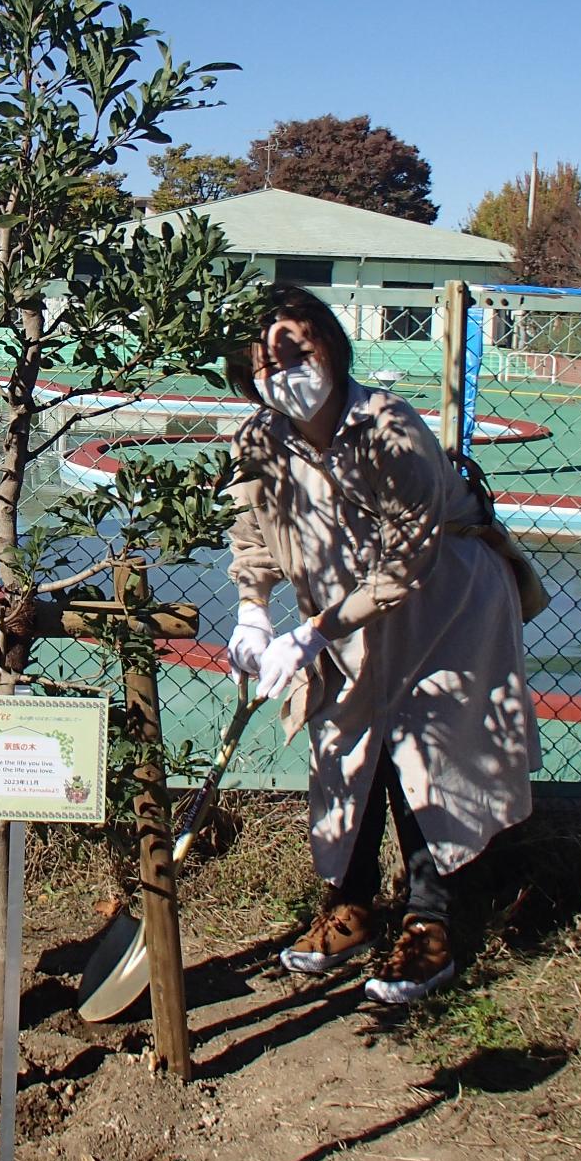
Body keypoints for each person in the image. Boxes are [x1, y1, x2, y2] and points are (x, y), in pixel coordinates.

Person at [222, 286, 538, 1004]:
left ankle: (432, 926)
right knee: (342, 744)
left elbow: (407, 562)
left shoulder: (388, 425)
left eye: (297, 351)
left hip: (445, 603)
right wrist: (252, 612)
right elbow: (254, 529)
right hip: (348, 610)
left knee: (426, 753)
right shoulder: (259, 438)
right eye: (264, 362)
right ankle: (352, 906)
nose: (283, 371)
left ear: (333, 346)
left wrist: (312, 634)